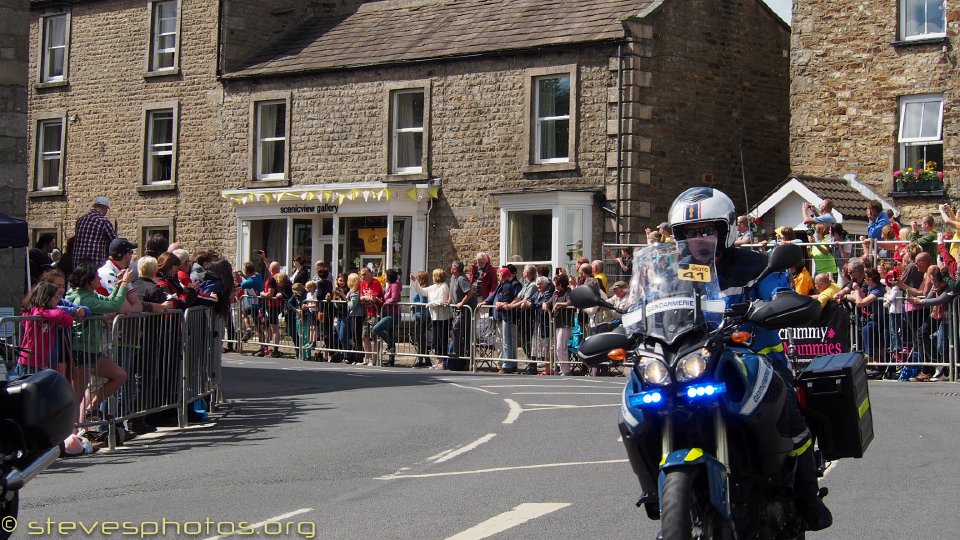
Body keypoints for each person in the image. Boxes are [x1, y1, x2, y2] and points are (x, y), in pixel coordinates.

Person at [665, 187, 832, 530]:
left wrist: (776, 303)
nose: (699, 239)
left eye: (707, 230)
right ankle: (665, 495)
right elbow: (654, 305)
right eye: (689, 233)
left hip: (758, 361)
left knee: (790, 413)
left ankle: (806, 495)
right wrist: (623, 318)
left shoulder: (756, 265)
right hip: (698, 362)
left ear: (726, 230)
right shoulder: (676, 272)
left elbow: (778, 292)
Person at [65, 263, 130, 423]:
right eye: (96, 276)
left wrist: (117, 286)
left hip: (92, 351)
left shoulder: (90, 295)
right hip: (81, 352)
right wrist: (124, 284)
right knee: (77, 397)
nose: (99, 278)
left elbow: (109, 301)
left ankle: (90, 409)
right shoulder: (83, 299)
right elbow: (114, 305)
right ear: (88, 281)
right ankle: (73, 436)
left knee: (120, 375)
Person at [409, 269, 451, 369]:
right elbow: (422, 291)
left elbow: (441, 300)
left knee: (442, 339)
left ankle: (443, 362)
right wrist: (415, 281)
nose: (432, 277)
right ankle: (439, 360)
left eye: (433, 275)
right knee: (436, 340)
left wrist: (430, 304)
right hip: (435, 316)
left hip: (443, 317)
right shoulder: (433, 287)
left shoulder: (444, 286)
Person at [485, 267, 522, 373]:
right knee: (505, 341)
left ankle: (507, 364)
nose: (498, 276)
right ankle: (510, 363)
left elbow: (506, 300)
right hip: (503, 316)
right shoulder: (502, 285)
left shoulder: (507, 286)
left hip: (506, 316)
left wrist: (500, 303)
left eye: (499, 275)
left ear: (504, 276)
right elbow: (494, 297)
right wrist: (487, 302)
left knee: (506, 341)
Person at [72, 196, 117, 266]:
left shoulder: (80, 220)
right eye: (106, 209)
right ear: (104, 208)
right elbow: (115, 242)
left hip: (77, 263)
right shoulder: (103, 221)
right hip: (95, 264)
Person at [448, 260, 475, 370]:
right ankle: (457, 350)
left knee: (457, 328)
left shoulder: (461, 278)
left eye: (452, 267)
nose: (450, 269)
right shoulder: (453, 277)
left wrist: (462, 303)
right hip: (457, 309)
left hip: (465, 310)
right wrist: (449, 300)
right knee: (455, 328)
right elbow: (452, 290)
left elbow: (470, 292)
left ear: (455, 269)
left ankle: (458, 351)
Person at [372, 269, 401, 366]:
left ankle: (390, 343)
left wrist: (385, 301)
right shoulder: (389, 286)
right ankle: (391, 360)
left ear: (389, 277)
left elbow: (394, 298)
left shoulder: (395, 286)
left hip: (393, 314)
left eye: (385, 276)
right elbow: (386, 299)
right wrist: (379, 300)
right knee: (390, 334)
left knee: (376, 328)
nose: (384, 278)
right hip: (387, 313)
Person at [358, 266, 384, 364]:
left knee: (374, 336)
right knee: (364, 335)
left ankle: (374, 359)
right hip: (367, 312)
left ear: (370, 273)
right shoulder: (362, 283)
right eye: (362, 275)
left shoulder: (375, 282)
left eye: (364, 274)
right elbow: (361, 298)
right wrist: (365, 297)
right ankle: (367, 357)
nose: (363, 276)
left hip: (376, 312)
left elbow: (373, 299)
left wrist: (367, 298)